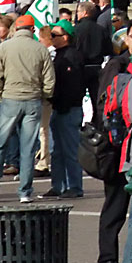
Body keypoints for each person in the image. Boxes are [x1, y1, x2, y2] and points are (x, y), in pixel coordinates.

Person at [0, 14, 55, 203]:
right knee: (28, 148)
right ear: (32, 30)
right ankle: (24, 191)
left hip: (10, 98)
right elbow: (49, 80)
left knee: (0, 144)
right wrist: (43, 94)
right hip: (32, 99)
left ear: (16, 29)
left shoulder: (4, 47)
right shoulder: (41, 49)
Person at [96, 18, 132, 263]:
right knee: (115, 205)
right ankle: (108, 257)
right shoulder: (118, 64)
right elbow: (104, 101)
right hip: (117, 145)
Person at [44, 19, 84, 199]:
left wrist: (63, 103)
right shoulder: (61, 55)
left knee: (69, 150)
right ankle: (59, 185)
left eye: (55, 35)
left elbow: (73, 85)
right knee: (57, 151)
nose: (51, 38)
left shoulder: (71, 56)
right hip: (60, 108)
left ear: (66, 37)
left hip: (68, 109)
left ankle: (74, 186)